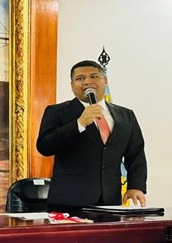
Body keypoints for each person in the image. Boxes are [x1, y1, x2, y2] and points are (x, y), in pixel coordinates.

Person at [36, 60, 147, 209]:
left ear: (105, 81)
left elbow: (136, 153)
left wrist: (136, 186)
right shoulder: (57, 111)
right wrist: (79, 124)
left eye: (94, 76)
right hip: (69, 201)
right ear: (72, 85)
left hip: (110, 200)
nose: (87, 82)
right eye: (80, 78)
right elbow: (45, 146)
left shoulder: (126, 115)